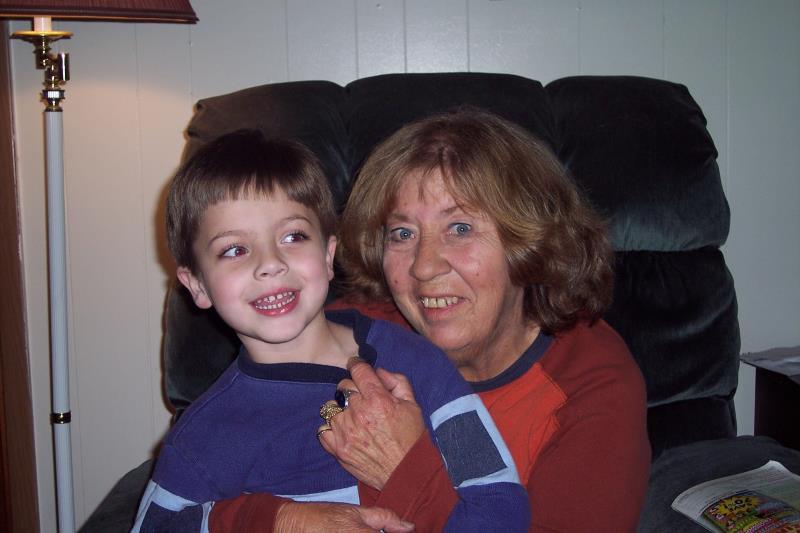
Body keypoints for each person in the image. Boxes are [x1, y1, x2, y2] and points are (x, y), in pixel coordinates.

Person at [209, 109, 651, 532]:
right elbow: (204, 469)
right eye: (402, 234)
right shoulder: (350, 335)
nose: (423, 267)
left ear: (530, 242)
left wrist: (407, 470)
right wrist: (280, 520)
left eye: (460, 228)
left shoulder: (593, 384)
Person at [131, 129, 530, 532]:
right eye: (234, 249)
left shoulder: (416, 363)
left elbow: (501, 507)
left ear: (327, 254)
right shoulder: (205, 435)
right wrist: (274, 520)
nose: (270, 263)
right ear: (197, 285)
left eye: (293, 236)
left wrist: (413, 475)